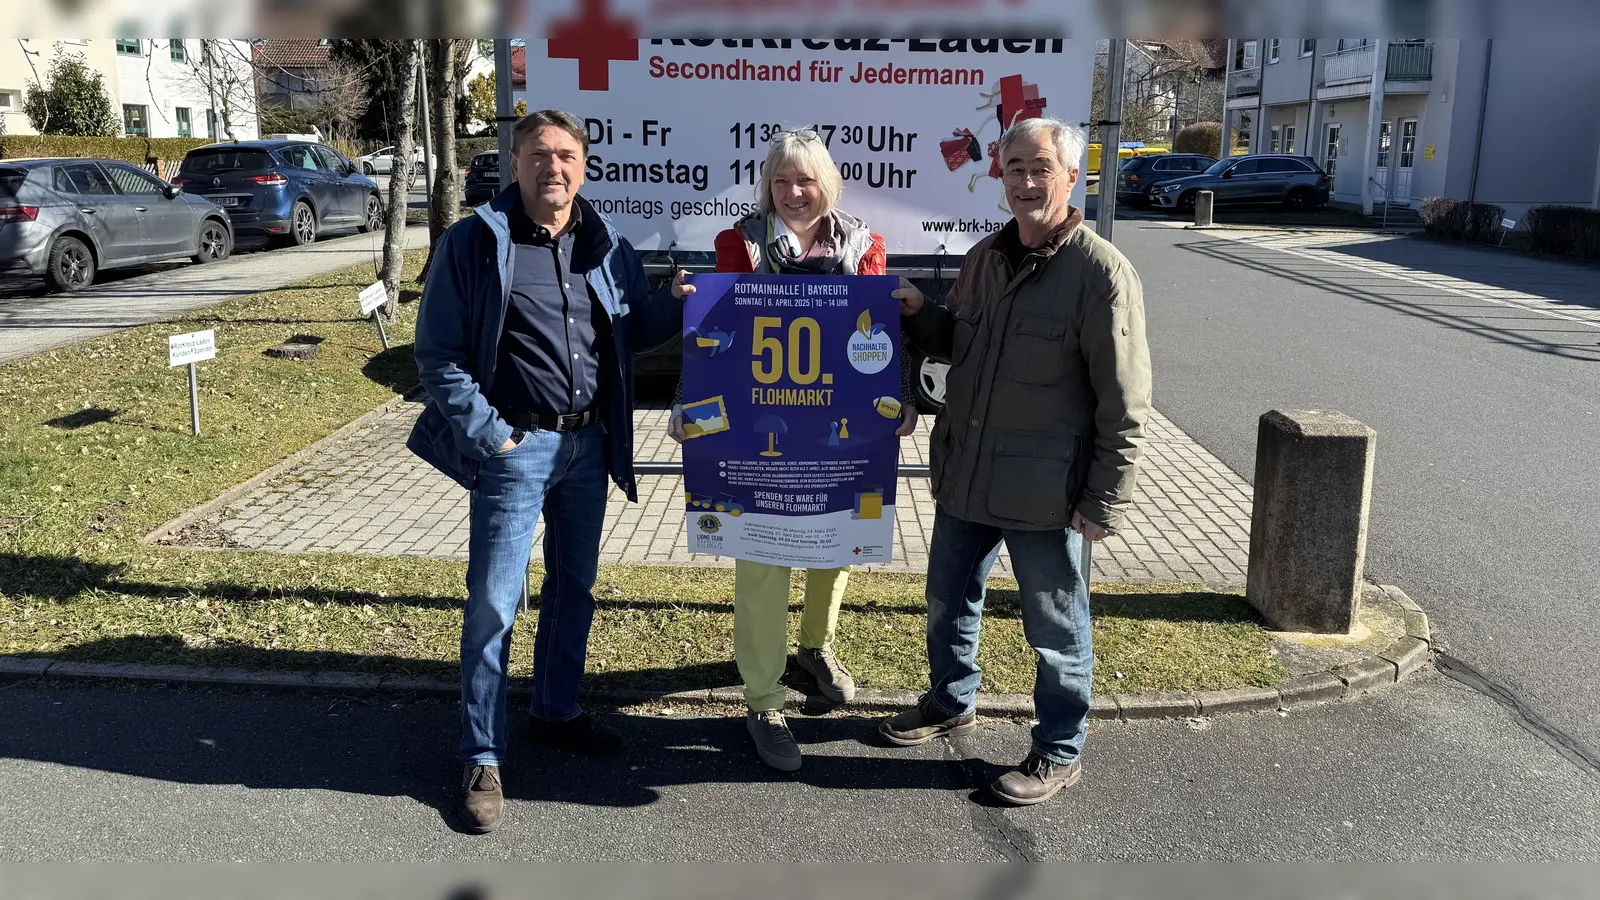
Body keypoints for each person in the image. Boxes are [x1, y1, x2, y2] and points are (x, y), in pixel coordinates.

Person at [408, 109, 693, 833]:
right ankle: (481, 752)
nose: (553, 167)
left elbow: (632, 330)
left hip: (587, 445)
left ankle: (556, 710)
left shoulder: (606, 244)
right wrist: (492, 437)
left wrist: (682, 306)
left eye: (566, 155)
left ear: (584, 166)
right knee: (496, 602)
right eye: (539, 155)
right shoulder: (474, 243)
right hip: (515, 449)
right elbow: (438, 356)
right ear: (514, 163)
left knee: (576, 587)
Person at [881, 116, 1152, 806]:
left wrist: (1104, 500)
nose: (1027, 182)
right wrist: (921, 314)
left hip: (1045, 494)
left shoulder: (1101, 275)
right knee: (947, 602)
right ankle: (949, 701)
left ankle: (1059, 751)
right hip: (967, 474)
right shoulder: (985, 258)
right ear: (999, 178)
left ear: (1071, 177)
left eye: (1040, 169)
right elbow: (964, 345)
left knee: (1056, 628)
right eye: (1014, 170)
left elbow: (1125, 401)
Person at [668, 129, 919, 772]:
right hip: (757, 432)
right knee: (760, 560)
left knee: (837, 545)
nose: (794, 192)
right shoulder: (738, 243)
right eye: (782, 181)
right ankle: (763, 697)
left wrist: (897, 399)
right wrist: (687, 402)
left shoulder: (865, 244)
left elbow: (880, 336)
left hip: (839, 431)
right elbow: (713, 333)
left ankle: (816, 645)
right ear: (767, 186)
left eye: (805, 180)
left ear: (826, 184)